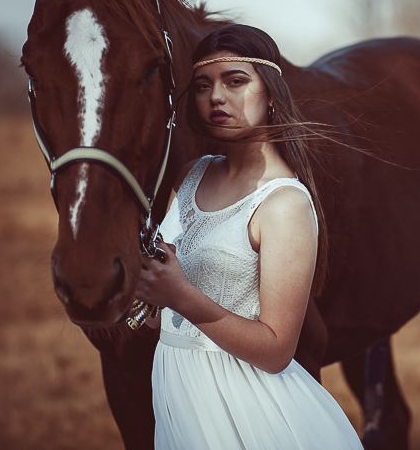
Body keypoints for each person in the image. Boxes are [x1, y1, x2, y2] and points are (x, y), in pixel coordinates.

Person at [135, 24, 362, 449]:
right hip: (180, 392)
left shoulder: (284, 205)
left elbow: (277, 350)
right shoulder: (191, 175)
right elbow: (169, 298)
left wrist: (180, 295)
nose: (215, 97)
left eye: (235, 81)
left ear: (272, 92)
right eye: (202, 85)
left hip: (248, 407)